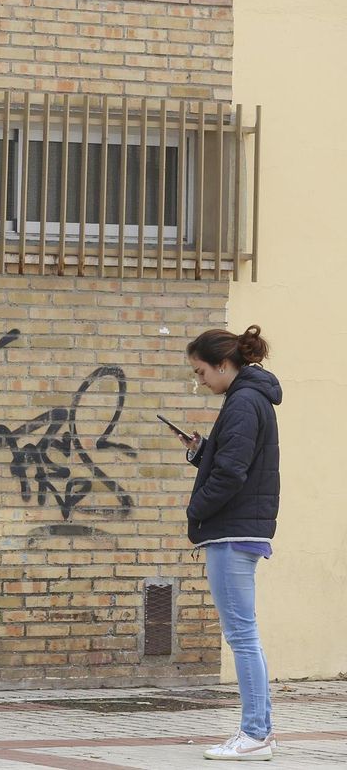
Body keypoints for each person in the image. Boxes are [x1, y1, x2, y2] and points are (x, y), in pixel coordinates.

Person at [180, 326, 281, 762]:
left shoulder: (242, 402)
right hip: (240, 526)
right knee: (244, 633)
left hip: (233, 529)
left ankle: (255, 733)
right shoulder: (247, 399)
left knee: (241, 634)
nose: (200, 381)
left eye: (201, 372)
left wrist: (195, 509)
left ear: (224, 364)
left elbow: (231, 474)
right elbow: (232, 460)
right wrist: (202, 451)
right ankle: (261, 730)